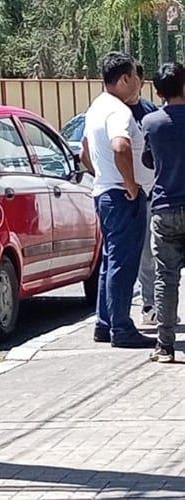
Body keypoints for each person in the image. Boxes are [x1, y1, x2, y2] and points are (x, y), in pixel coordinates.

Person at [81, 51, 156, 348]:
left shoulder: (96, 107)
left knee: (110, 262)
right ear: (125, 78)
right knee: (123, 264)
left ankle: (105, 322)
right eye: (135, 76)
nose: (139, 81)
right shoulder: (119, 111)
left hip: (105, 191)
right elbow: (120, 145)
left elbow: (84, 152)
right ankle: (122, 328)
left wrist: (101, 174)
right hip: (122, 196)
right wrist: (131, 185)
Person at [141, 62, 185, 363]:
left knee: (166, 277)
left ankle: (165, 345)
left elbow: (146, 159)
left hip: (164, 206)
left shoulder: (151, 123)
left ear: (157, 92)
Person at [128, 61, 159, 325]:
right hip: (125, 192)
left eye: (135, 77)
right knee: (135, 253)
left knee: (151, 252)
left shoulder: (149, 111)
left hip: (151, 192)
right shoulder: (114, 111)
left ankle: (151, 304)